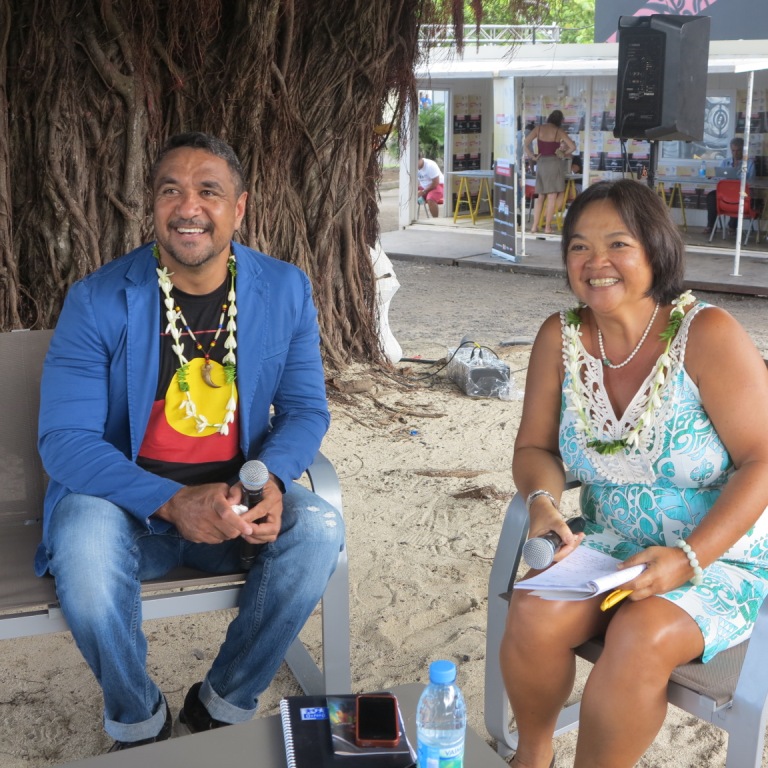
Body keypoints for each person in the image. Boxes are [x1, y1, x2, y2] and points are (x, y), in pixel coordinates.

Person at [36, 133, 345, 752]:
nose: (188, 207)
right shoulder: (99, 300)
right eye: (170, 190)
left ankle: (221, 703)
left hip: (235, 507)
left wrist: (271, 482)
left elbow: (307, 409)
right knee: (85, 549)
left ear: (240, 207)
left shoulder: (284, 290)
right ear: (150, 206)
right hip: (127, 508)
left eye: (209, 191)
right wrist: (173, 503)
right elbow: (64, 441)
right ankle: (139, 723)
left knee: (319, 528)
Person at [502, 179, 768, 768]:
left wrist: (688, 557)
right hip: (611, 545)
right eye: (578, 246)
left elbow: (763, 460)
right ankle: (532, 758)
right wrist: (544, 503)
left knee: (639, 635)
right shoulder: (561, 337)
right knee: (533, 609)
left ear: (654, 250)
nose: (595, 262)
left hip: (716, 555)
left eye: (617, 243)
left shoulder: (707, 334)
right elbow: (534, 448)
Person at [524, 110, 576, 235]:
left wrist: (532, 156)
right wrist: (563, 153)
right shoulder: (559, 131)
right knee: (552, 196)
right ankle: (547, 227)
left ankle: (534, 226)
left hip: (541, 162)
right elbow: (573, 147)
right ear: (560, 121)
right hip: (554, 163)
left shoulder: (539, 128)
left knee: (540, 196)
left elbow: (525, 143)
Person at [704, 137, 757, 235]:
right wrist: (713, 176)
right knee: (711, 196)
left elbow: (751, 182)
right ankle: (710, 226)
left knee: (738, 197)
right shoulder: (725, 162)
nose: (735, 153)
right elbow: (719, 177)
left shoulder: (749, 163)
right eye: (733, 151)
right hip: (725, 193)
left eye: (738, 151)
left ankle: (732, 226)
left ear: (743, 150)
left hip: (742, 193)